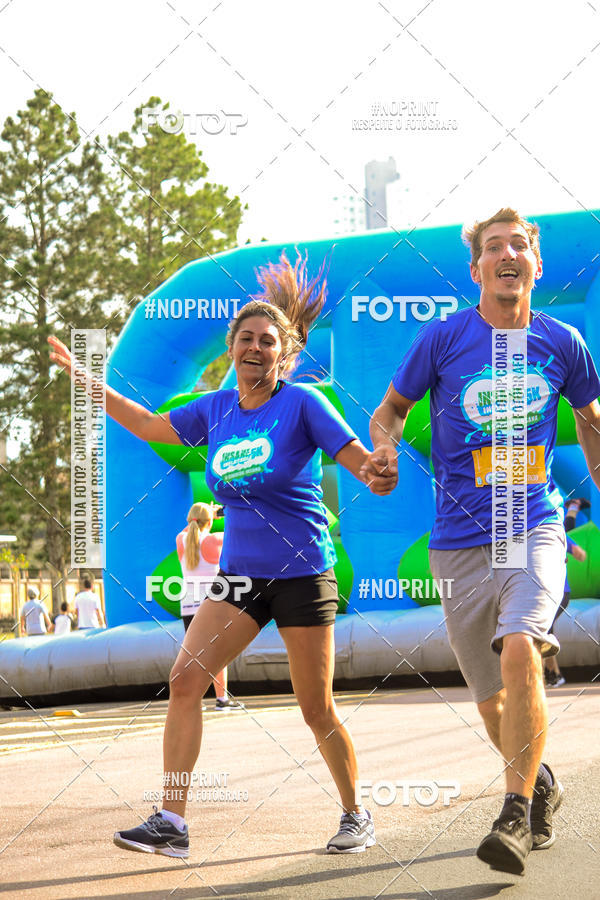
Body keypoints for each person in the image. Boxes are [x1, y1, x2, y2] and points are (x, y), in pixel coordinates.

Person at [49, 251, 396, 859]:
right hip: (240, 576)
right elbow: (153, 426)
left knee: (315, 707)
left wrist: (377, 471)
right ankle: (172, 822)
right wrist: (91, 385)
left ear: (283, 354)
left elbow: (359, 464)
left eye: (267, 340)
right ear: (231, 350)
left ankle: (354, 813)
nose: (255, 347)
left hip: (302, 573)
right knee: (185, 680)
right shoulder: (215, 409)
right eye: (246, 338)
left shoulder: (305, 403)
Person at [363, 208, 600, 876]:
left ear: (535, 265)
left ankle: (514, 812)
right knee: (491, 699)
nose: (506, 254)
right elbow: (390, 412)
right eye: (493, 247)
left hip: (530, 527)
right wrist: (380, 450)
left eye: (518, 245)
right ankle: (541, 782)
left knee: (523, 645)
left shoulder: (563, 341)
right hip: (458, 542)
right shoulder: (442, 340)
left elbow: (589, 417)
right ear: (476, 270)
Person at [176, 502, 239, 710]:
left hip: (188, 605)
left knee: (193, 655)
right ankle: (222, 699)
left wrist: (205, 515)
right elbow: (236, 528)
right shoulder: (214, 540)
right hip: (211, 604)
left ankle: (193, 699)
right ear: (209, 521)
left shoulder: (181, 540)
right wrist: (217, 514)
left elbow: (188, 529)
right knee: (217, 654)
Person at [544, 530, 587, 687]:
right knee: (544, 632)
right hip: (547, 592)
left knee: (539, 632)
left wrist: (561, 556)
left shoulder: (556, 531)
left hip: (558, 593)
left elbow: (581, 555)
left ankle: (542, 678)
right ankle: (553, 675)